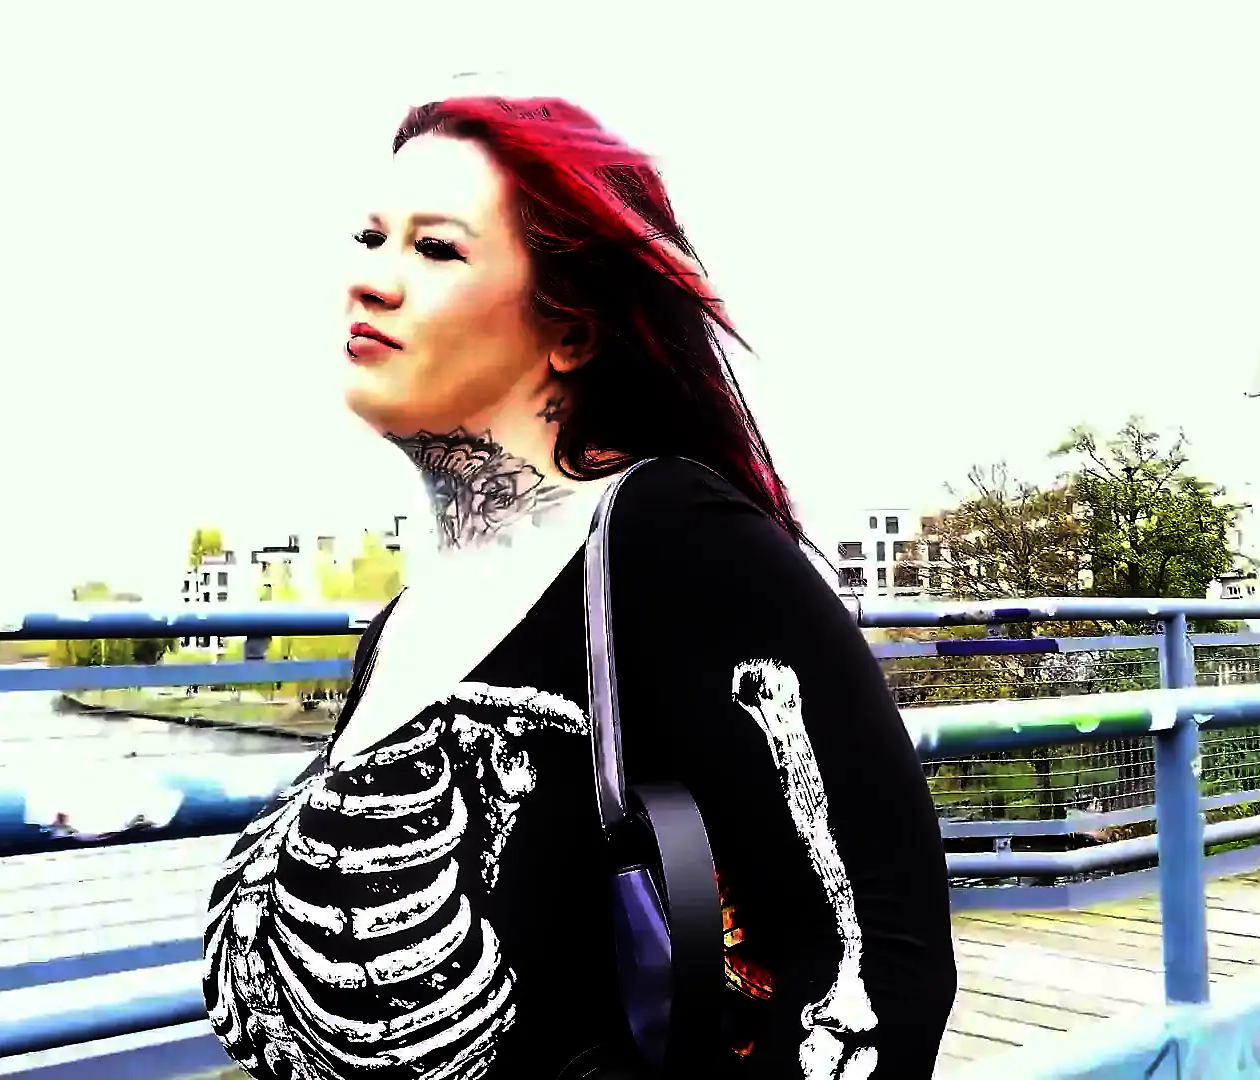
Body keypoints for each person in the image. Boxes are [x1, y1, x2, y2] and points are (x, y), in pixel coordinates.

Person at [201, 93, 956, 1080]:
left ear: (572, 332)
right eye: (371, 238)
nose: (370, 281)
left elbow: (879, 962)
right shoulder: (401, 625)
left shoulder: (668, 536)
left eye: (436, 249)